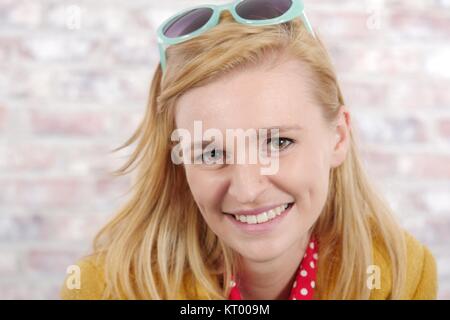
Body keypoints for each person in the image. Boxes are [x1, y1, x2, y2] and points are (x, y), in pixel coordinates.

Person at [61, 0, 437, 300]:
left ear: (338, 137)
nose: (246, 189)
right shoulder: (104, 290)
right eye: (210, 154)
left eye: (278, 142)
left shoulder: (403, 275)